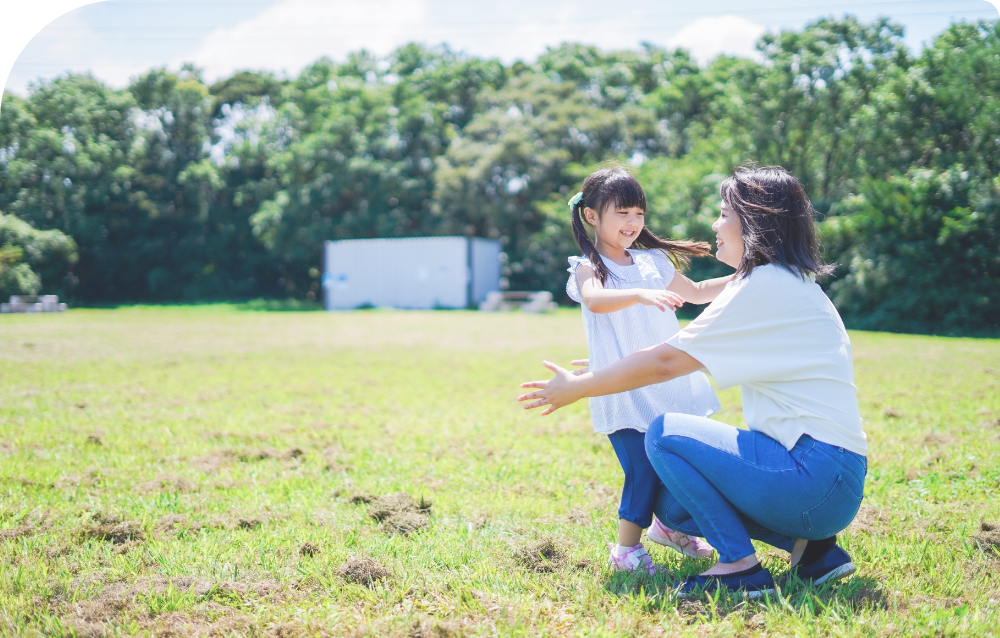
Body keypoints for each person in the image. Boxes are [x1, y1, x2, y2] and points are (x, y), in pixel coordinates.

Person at [519, 165, 867, 598]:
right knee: (672, 506)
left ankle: (740, 566)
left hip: (814, 474)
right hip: (827, 478)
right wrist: (607, 364)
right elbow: (668, 347)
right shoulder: (781, 281)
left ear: (755, 222)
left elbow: (666, 362)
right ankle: (811, 550)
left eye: (724, 214)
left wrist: (582, 385)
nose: (715, 226)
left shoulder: (764, 285)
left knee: (664, 433)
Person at [563, 167, 735, 575]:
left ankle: (667, 528)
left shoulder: (652, 261)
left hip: (666, 383)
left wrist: (747, 278)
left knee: (674, 462)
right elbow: (595, 300)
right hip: (622, 389)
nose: (632, 222)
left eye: (638, 213)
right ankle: (626, 551)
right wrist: (639, 293)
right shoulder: (588, 268)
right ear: (591, 216)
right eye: (622, 213)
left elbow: (696, 293)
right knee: (641, 470)